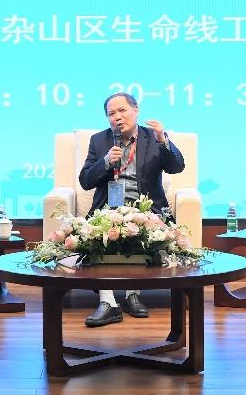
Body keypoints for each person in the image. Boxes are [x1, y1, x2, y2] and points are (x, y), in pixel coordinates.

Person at [77, 92, 185, 326]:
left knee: (142, 228)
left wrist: (163, 140)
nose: (117, 117)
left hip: (146, 208)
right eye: (111, 113)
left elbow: (177, 167)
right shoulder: (99, 140)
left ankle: (132, 294)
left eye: (122, 110)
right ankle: (108, 303)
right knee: (100, 233)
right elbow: (85, 180)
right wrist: (106, 161)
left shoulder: (153, 137)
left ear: (136, 110)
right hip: (108, 209)